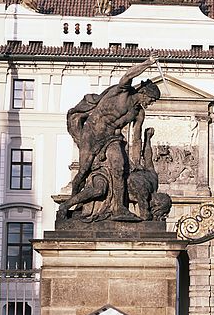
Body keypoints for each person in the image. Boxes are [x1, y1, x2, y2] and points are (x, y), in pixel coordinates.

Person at [57, 55, 161, 222]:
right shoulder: (123, 93)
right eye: (150, 99)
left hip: (112, 138)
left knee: (119, 167)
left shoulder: (138, 112)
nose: (150, 103)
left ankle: (119, 208)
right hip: (93, 134)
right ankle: (70, 205)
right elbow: (128, 75)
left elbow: (136, 138)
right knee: (83, 171)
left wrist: (137, 162)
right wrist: (147, 63)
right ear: (143, 92)